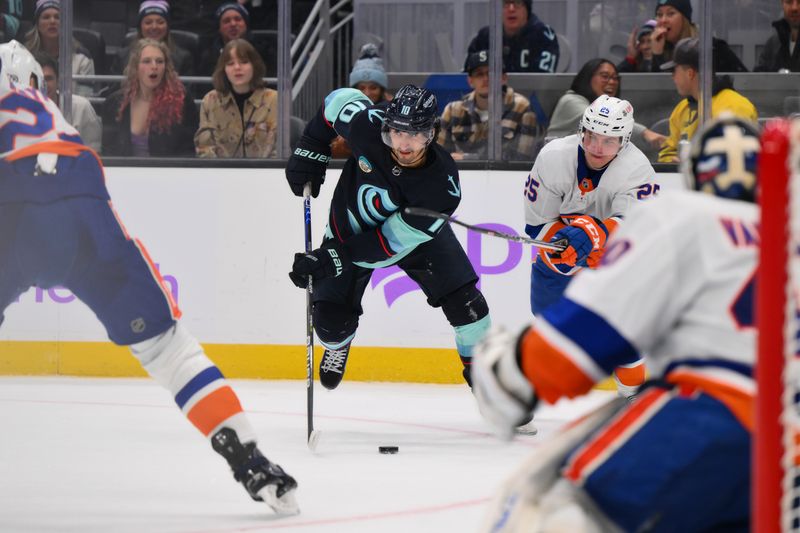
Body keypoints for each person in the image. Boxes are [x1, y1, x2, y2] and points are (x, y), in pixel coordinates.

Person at [0, 39, 298, 515]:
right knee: (166, 347)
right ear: (34, 81)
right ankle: (251, 461)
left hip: (12, 203)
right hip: (81, 194)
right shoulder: (48, 112)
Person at [471, 113, 761, 532]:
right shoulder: (790, 231)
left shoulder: (681, 217)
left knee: (559, 509)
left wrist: (511, 373)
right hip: (787, 435)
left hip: (711, 419)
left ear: (695, 175)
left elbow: (588, 338)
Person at [284, 84, 491, 390]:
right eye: (396, 132)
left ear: (431, 134)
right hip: (349, 231)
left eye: (415, 134)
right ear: (386, 127)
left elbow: (385, 244)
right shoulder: (368, 124)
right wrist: (312, 146)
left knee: (470, 309)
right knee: (330, 329)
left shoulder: (441, 187)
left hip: (413, 238)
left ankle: (489, 384)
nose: (404, 145)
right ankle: (340, 344)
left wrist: (332, 259)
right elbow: (338, 101)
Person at [525, 94, 658, 398]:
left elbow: (637, 231)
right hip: (561, 256)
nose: (598, 147)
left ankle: (635, 402)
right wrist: (562, 249)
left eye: (609, 141)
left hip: (616, 261)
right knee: (547, 319)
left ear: (624, 141)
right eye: (592, 136)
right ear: (581, 130)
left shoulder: (638, 170)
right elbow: (536, 225)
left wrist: (595, 234)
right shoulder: (552, 158)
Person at [658, 37, 757, 163]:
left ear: (690, 73)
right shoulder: (681, 109)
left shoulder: (735, 106)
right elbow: (668, 152)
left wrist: (696, 164)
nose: (672, 77)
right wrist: (673, 164)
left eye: (674, 71)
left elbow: (740, 156)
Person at [437, 49, 542, 161]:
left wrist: (467, 158)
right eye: (479, 74)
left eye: (491, 73)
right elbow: (440, 157)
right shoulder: (453, 111)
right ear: (470, 81)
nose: (486, 79)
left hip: (506, 177)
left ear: (504, 78)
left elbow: (521, 158)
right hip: (459, 176)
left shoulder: (522, 107)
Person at [102, 39, 198, 157]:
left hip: (169, 172)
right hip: (126, 172)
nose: (154, 66)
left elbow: (187, 151)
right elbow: (109, 151)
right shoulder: (115, 103)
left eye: (159, 61)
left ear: (166, 67)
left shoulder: (182, 101)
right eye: (146, 61)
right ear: (135, 67)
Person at [546, 59, 665, 151]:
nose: (612, 82)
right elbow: (601, 120)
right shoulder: (570, 101)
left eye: (615, 78)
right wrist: (645, 133)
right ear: (587, 78)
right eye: (605, 76)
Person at [195, 38, 277, 158]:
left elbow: (278, 150)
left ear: (254, 65)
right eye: (230, 63)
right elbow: (204, 148)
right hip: (220, 173)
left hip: (264, 173)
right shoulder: (210, 100)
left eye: (244, 62)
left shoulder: (274, 100)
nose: (237, 67)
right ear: (224, 69)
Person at [331, 43, 392, 159]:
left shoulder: (394, 110)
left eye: (373, 88)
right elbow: (333, 152)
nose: (367, 93)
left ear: (382, 89)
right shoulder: (338, 110)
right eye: (362, 88)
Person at [650, 0, 747, 73]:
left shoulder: (712, 48)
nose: (663, 20)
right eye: (659, 14)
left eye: (670, 13)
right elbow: (658, 92)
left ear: (685, 19)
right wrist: (657, 55)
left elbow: (744, 82)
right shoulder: (659, 48)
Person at [23, 0, 95, 96]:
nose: (52, 21)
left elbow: (84, 100)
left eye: (58, 17)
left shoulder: (82, 58)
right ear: (37, 25)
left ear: (65, 24)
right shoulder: (24, 56)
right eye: (46, 17)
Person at [467, 0, 559, 73]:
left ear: (527, 9)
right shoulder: (485, 36)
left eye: (518, 3)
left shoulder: (543, 36)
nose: (511, 9)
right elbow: (469, 75)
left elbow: (542, 81)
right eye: (505, 3)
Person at [35, 52, 101, 152]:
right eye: (38, 79)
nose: (44, 84)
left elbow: (94, 153)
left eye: (48, 79)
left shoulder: (82, 107)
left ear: (58, 81)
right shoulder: (17, 111)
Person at [111, 1, 195, 76]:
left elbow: (188, 92)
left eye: (160, 22)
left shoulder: (184, 58)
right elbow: (113, 91)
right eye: (148, 22)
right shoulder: (122, 56)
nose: (154, 27)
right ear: (140, 27)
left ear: (168, 26)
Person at [198, 2, 272, 77]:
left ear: (246, 24)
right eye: (226, 21)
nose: (233, 24)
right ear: (219, 28)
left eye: (238, 19)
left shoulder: (263, 51)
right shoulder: (209, 56)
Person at [755, 0, 800, 72]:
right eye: (789, 2)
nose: (794, 8)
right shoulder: (773, 43)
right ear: (782, 4)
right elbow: (760, 78)